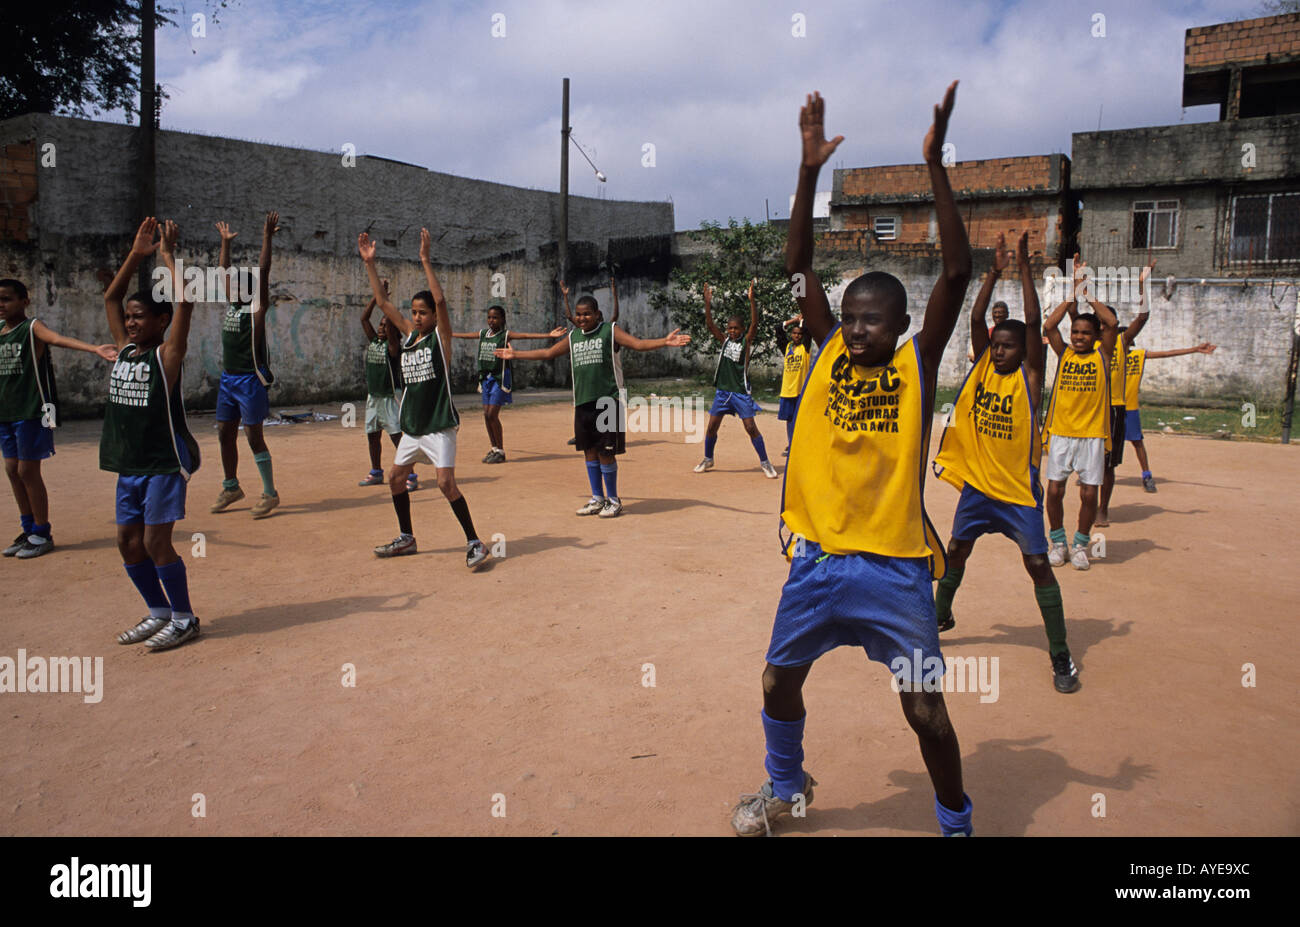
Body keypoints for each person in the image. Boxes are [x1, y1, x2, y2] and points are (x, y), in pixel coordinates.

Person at [731, 84, 975, 838]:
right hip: (817, 560)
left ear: (901, 324)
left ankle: (955, 818)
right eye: (848, 316)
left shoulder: (915, 366)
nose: (857, 328)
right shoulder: (829, 348)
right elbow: (797, 262)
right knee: (777, 680)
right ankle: (786, 786)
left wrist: (935, 165)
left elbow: (959, 274)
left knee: (925, 707)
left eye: (873, 318)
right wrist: (807, 171)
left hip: (895, 569)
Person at [931, 232, 1079, 693]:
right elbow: (976, 317)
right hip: (978, 486)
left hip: (1017, 493)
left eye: (1009, 347)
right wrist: (993, 272)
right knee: (957, 551)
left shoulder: (1030, 380)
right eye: (996, 345)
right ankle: (940, 617)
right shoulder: (980, 369)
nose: (1000, 351)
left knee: (1037, 564)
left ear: (1024, 352)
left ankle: (1061, 654)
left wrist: (1025, 269)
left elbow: (1033, 322)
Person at [101, 218, 204, 651]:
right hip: (131, 463)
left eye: (139, 317)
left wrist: (165, 257)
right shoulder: (124, 351)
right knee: (127, 542)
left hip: (165, 459)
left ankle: (184, 617)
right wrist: (135, 254)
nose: (130, 323)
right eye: (129, 318)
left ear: (161, 321)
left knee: (154, 540)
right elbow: (111, 296)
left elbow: (186, 305)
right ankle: (158, 611)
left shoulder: (167, 356)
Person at [358, 228, 488, 567]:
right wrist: (370, 264)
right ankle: (407, 537)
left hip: (439, 424)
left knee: (446, 483)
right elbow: (384, 304)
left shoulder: (440, 339)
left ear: (433, 316)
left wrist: (426, 260)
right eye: (414, 312)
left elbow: (441, 300)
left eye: (423, 313)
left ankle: (474, 542)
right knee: (395, 478)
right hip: (414, 427)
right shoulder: (410, 336)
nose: (417, 317)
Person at [496, 293, 689, 518]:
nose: (582, 318)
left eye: (587, 314)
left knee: (606, 453)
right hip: (583, 402)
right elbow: (548, 353)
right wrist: (516, 354)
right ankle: (597, 498)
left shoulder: (610, 331)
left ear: (597, 314)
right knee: (589, 451)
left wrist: (664, 341)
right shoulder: (574, 337)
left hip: (608, 401)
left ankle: (614, 500)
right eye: (578, 315)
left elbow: (638, 344)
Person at [0, 278, 117, 559]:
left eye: (7, 299)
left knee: (28, 471)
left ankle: (42, 531)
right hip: (5, 414)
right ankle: (28, 529)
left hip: (32, 412)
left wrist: (93, 349)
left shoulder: (31, 328)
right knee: (12, 471)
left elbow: (57, 339)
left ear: (24, 302)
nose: (1, 305)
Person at [1041, 258, 1119, 570]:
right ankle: (1058, 543)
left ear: (1095, 336)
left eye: (1085, 333)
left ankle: (1081, 545)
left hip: (1092, 436)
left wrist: (1086, 289)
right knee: (1055, 490)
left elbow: (1111, 323)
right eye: (1075, 332)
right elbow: (1048, 326)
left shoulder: (1102, 354)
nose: (1078, 337)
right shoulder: (1064, 353)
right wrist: (1071, 295)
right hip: (1061, 431)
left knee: (1089, 495)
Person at [210, 213, 281, 518]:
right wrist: (225, 244)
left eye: (242, 286)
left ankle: (269, 493)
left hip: (250, 381)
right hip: (228, 380)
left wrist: (267, 237)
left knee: (253, 437)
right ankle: (231, 486)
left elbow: (263, 271)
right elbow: (223, 270)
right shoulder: (233, 306)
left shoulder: (257, 311)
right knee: (225, 432)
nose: (236, 288)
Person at [450, 305, 565, 463]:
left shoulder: (505, 335)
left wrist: (548, 335)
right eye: (489, 317)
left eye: (495, 317)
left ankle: (501, 451)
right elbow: (465, 335)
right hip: (486, 378)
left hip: (500, 378)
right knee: (486, 415)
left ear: (502, 319)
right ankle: (494, 448)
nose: (491, 320)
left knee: (492, 414)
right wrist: (447, 333)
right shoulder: (484, 334)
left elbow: (525, 335)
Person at [1090, 257, 1155, 527]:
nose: (1103, 326)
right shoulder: (1087, 343)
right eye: (1100, 322)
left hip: (1115, 408)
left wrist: (1143, 285)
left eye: (1107, 322)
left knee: (1108, 465)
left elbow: (1143, 316)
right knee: (1089, 466)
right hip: (1090, 409)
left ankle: (1102, 508)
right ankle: (1090, 505)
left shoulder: (1122, 341)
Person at [693, 281, 778, 478]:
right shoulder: (724, 341)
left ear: (742, 329)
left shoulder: (745, 342)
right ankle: (708, 458)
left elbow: (755, 324)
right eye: (730, 328)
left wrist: (752, 301)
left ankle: (765, 462)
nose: (732, 331)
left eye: (736, 329)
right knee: (712, 427)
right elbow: (709, 324)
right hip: (723, 391)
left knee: (750, 427)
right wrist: (707, 302)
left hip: (740, 392)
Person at [1123, 340, 1218, 493]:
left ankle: (1147, 476)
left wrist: (1194, 349)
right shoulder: (1106, 354)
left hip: (1130, 407)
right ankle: (1092, 473)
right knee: (1104, 443)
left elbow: (1168, 353)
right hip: (1110, 407)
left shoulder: (1138, 355)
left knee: (1137, 442)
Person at [358, 279, 413, 487]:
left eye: (384, 325)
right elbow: (364, 319)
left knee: (397, 437)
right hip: (374, 397)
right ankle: (376, 471)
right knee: (372, 435)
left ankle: (410, 474)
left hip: (390, 397)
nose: (381, 327)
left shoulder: (393, 348)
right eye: (380, 325)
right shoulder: (375, 342)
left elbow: (391, 324)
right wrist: (376, 296)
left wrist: (385, 300)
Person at [774, 313, 809, 456]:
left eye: (799, 334)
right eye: (794, 334)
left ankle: (799, 444)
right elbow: (778, 328)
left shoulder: (805, 348)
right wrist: (793, 320)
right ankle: (791, 444)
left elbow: (808, 331)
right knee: (789, 420)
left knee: (800, 419)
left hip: (800, 390)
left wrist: (802, 323)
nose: (797, 336)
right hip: (787, 390)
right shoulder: (787, 347)